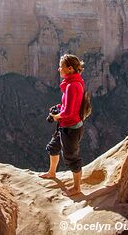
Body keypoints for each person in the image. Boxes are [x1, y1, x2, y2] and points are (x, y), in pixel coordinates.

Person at [39, 54, 85, 197]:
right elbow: (69, 106)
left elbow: (70, 112)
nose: (58, 69)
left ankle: (77, 187)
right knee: (53, 147)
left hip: (71, 128)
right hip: (65, 125)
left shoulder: (72, 86)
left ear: (70, 69)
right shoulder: (73, 82)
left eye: (61, 67)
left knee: (72, 157)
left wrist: (56, 116)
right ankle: (52, 173)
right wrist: (59, 107)